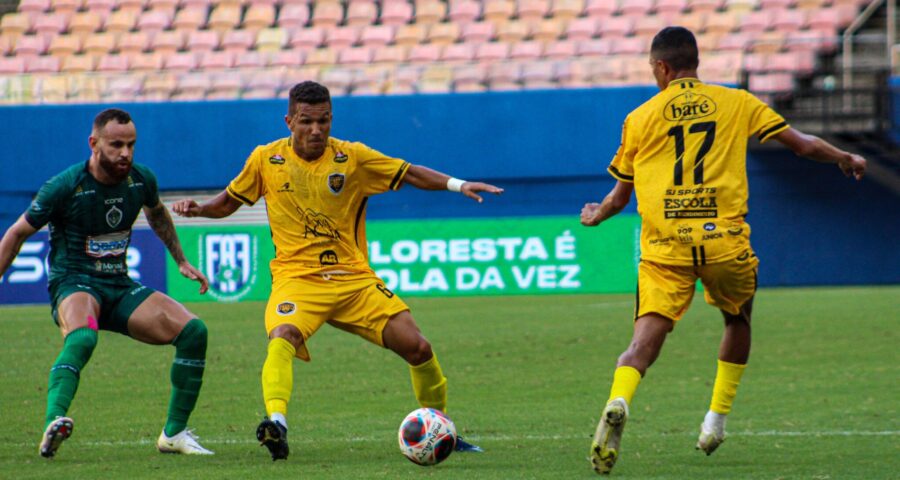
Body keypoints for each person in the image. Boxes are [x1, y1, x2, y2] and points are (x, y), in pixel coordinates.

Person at [580, 27, 867, 475]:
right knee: (737, 318)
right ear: (695, 61)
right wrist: (843, 158)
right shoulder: (738, 102)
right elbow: (802, 145)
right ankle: (714, 422)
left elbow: (618, 199)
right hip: (724, 242)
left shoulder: (640, 117)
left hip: (665, 248)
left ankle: (620, 398)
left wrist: (595, 215)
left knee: (642, 343)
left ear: (661, 67)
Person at [172, 81, 503, 461]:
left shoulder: (353, 158)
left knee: (419, 347)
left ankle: (442, 429)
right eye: (307, 121)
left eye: (324, 121)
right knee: (283, 335)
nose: (316, 130)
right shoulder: (266, 159)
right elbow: (229, 201)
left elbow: (408, 173)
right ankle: (277, 424)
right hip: (297, 280)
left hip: (354, 281)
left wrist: (458, 185)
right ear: (289, 121)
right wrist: (199, 210)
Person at [0, 109, 214, 458]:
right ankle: (54, 422)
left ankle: (173, 435)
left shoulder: (141, 180)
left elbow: (157, 212)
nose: (125, 153)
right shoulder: (65, 185)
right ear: (94, 143)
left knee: (194, 332)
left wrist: (181, 260)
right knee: (83, 336)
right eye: (116, 145)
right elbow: (17, 232)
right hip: (74, 282)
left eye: (131, 144)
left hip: (118, 284)